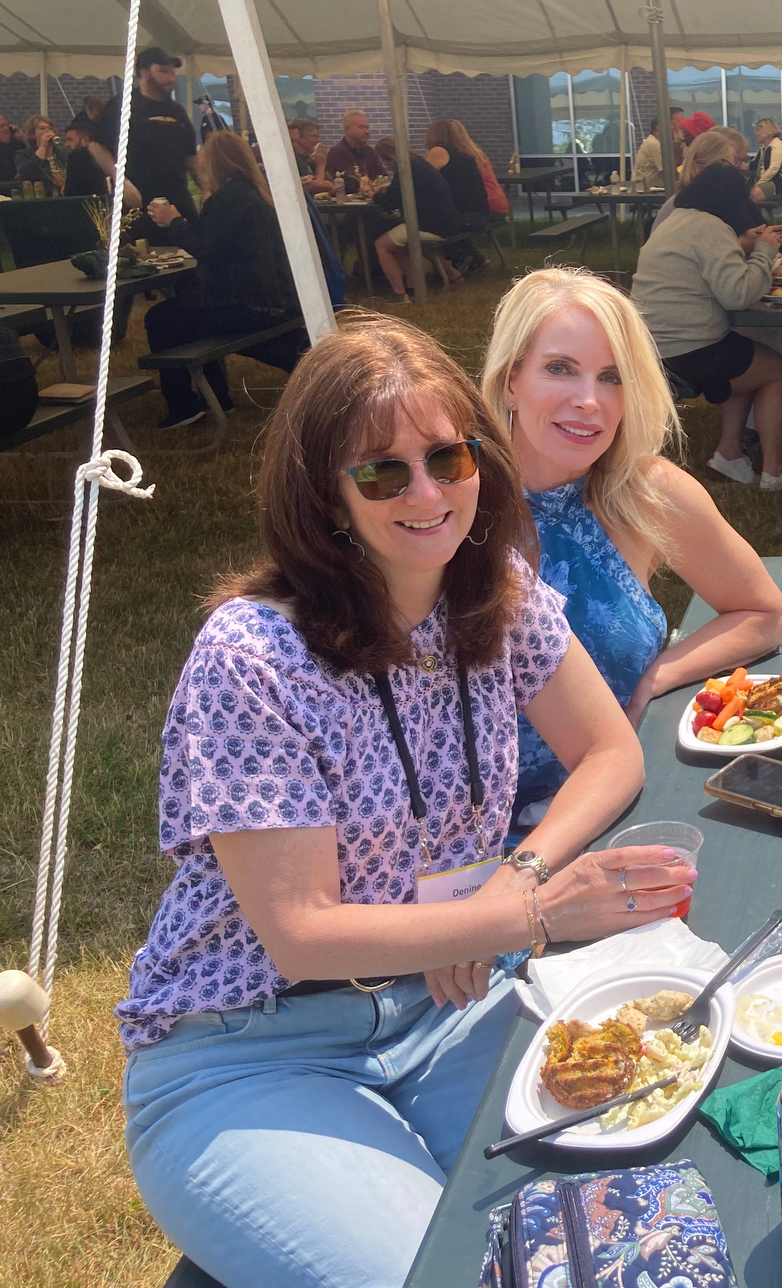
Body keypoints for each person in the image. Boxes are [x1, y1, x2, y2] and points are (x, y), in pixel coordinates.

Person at [118, 315, 683, 1288]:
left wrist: (515, 877)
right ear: (324, 495)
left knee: (640, 1191)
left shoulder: (491, 595)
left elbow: (609, 751)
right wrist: (525, 917)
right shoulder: (255, 656)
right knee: (458, 1275)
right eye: (383, 473)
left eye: (447, 457)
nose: (427, 492)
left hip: (446, 1005)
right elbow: (301, 931)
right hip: (252, 1050)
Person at [480, 266, 782, 774]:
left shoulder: (647, 493)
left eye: (612, 377)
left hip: (622, 797)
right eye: (560, 368)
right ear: (510, 380)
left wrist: (658, 676)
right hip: (479, 837)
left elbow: (764, 615)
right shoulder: (447, 503)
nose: (589, 400)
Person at [632, 161, 782, 489]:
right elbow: (738, 293)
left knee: (743, 360)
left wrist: (747, 244)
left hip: (652, 348)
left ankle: (730, 455)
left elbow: (704, 262)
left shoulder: (677, 221)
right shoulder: (711, 228)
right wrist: (765, 252)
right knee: (773, 369)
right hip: (688, 352)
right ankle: (774, 470)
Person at [143, 131, 303, 429]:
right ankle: (216, 396)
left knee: (161, 318)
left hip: (244, 306)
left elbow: (207, 250)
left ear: (216, 163)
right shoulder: (258, 194)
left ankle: (183, 405)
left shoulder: (225, 200)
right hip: (276, 299)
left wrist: (174, 221)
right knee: (189, 312)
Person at [98, 47, 200, 225]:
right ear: (144, 72)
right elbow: (96, 145)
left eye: (172, 72)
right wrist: (122, 180)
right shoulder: (122, 106)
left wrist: (207, 190)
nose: (170, 78)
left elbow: (192, 157)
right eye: (163, 71)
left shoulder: (177, 111)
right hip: (138, 200)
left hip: (177, 199)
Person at [371, 135, 464, 302]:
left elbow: (390, 203)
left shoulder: (405, 170)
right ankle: (415, 285)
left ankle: (399, 294)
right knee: (398, 242)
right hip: (446, 221)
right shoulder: (419, 164)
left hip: (430, 225)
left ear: (388, 157)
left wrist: (373, 196)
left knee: (382, 245)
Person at [649, 127, 755, 233]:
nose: (744, 167)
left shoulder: (688, 201)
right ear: (716, 168)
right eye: (737, 161)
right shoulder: (694, 207)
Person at [424, 118, 494, 272]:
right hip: (479, 214)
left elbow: (422, 180)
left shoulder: (439, 151)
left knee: (420, 224)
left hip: (463, 216)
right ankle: (469, 256)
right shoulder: (468, 154)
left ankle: (452, 265)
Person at [60, 118, 137, 204]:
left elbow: (72, 193)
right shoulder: (109, 156)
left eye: (70, 140)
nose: (66, 144)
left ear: (85, 140)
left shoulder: (77, 156)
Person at [324, 108, 388, 186]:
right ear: (347, 129)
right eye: (361, 127)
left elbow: (383, 176)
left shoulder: (370, 151)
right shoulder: (337, 153)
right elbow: (349, 184)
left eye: (367, 127)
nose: (366, 131)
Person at [14, 116, 65, 196]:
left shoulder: (63, 155)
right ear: (33, 134)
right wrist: (43, 147)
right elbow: (27, 173)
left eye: (50, 128)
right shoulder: (23, 155)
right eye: (42, 128)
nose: (47, 131)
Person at [751, 118, 782, 204]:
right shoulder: (763, 149)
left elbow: (774, 168)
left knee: (753, 195)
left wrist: (759, 183)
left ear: (766, 131)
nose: (756, 134)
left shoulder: (778, 145)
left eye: (758, 130)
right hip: (769, 182)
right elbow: (754, 165)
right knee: (747, 195)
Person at [0, 116, 22, 183]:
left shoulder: (17, 144)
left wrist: (24, 139)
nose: (7, 128)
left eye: (7, 125)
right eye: (2, 126)